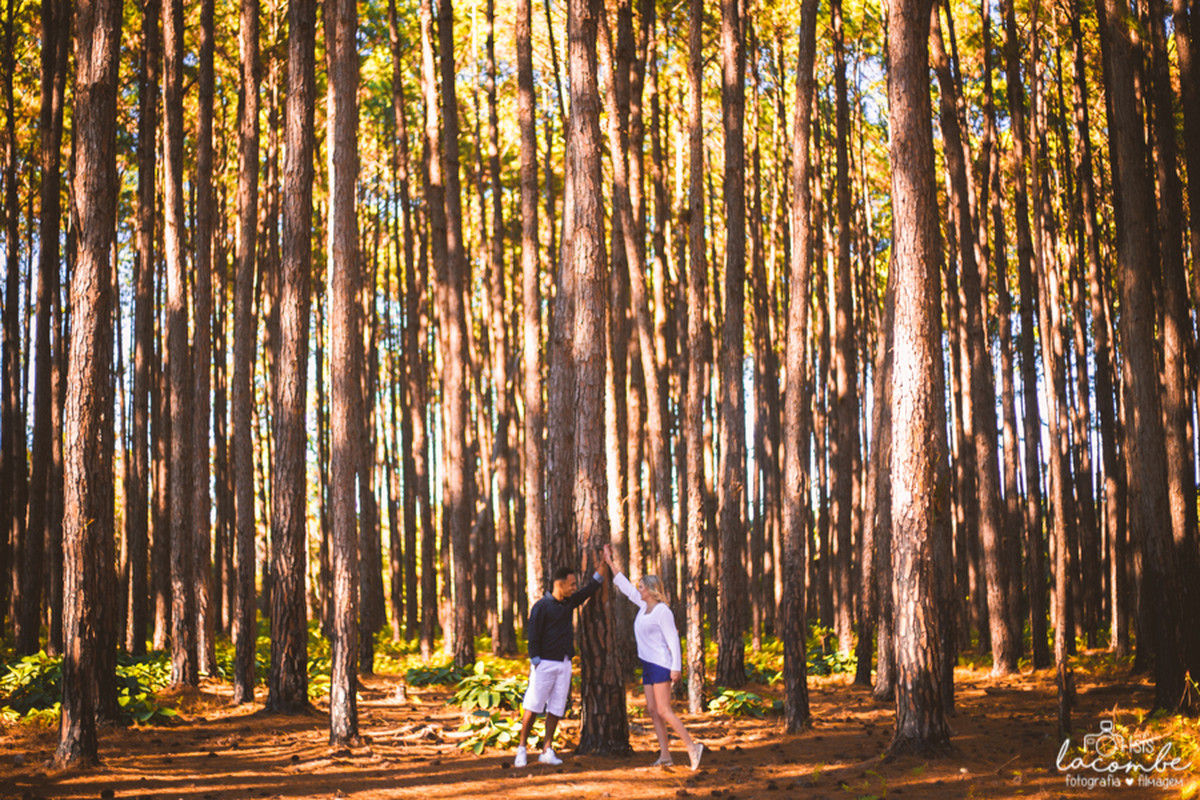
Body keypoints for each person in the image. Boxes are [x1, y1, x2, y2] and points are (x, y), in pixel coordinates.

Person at [602, 544, 703, 770]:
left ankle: (692, 747)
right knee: (652, 710)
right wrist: (609, 563)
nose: (638, 589)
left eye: (642, 587)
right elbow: (626, 587)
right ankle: (665, 755)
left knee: (664, 710)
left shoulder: (662, 611)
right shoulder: (643, 607)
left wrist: (676, 668)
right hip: (647, 664)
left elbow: (673, 640)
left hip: (661, 664)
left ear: (651, 589)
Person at [514, 561, 604, 768]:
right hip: (544, 664)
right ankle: (521, 749)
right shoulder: (541, 607)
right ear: (559, 584)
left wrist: (603, 567)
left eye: (575, 585)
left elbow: (588, 590)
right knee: (533, 706)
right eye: (571, 584)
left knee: (556, 707)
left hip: (564, 664)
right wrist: (536, 662)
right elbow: (533, 636)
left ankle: (547, 749)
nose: (574, 588)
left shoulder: (568, 603)